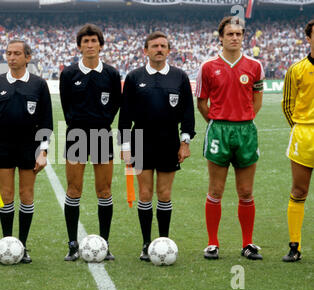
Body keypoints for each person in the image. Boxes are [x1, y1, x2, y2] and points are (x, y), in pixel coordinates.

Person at [118, 31, 195, 261]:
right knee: (144, 194)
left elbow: (188, 114)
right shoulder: (134, 77)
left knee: (164, 194)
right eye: (154, 46)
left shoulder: (179, 77)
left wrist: (185, 142)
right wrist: (125, 144)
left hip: (169, 140)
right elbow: (125, 116)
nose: (159, 49)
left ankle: (163, 241)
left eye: (163, 46)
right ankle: (145, 243)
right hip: (140, 139)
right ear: (146, 50)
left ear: (169, 50)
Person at [196, 16, 265, 260]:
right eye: (230, 34)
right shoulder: (208, 67)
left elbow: (257, 99)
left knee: (246, 191)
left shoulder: (254, 66)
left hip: (246, 130)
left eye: (238, 34)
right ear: (221, 37)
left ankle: (247, 244)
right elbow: (201, 102)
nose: (235, 37)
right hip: (219, 131)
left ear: (243, 37)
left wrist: (244, 118)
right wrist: (216, 122)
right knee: (216, 189)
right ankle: (212, 243)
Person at [0, 39, 53, 264]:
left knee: (26, 195)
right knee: (6, 195)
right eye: (9, 53)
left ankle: (22, 246)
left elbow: (46, 120)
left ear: (27, 58)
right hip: (3, 145)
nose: (12, 57)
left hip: (29, 146)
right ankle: (7, 244)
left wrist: (44, 151)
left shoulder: (39, 84)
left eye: (17, 53)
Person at [59, 24, 121, 261]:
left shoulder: (112, 74)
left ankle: (104, 244)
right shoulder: (69, 74)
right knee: (74, 190)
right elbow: (66, 106)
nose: (89, 45)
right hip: (76, 135)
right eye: (85, 41)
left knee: (104, 191)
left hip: (103, 135)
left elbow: (116, 103)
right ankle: (72, 244)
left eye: (93, 41)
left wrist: (103, 121)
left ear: (101, 45)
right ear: (79, 46)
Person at [281, 20, 314, 262]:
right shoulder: (297, 69)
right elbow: (288, 105)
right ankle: (295, 246)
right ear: (309, 39)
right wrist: (301, 127)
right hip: (304, 134)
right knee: (299, 190)